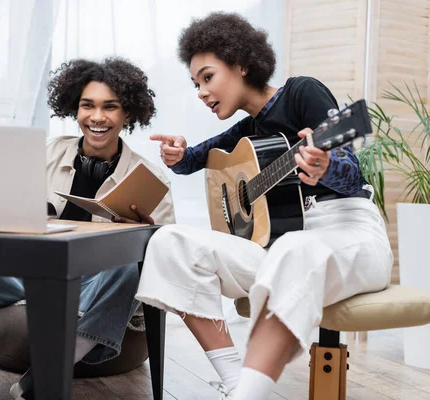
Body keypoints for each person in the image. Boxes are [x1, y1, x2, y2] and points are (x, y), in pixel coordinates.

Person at [135, 12, 392, 400]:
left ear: (241, 64)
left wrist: (324, 167)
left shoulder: (301, 92)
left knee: (294, 248)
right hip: (282, 245)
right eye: (195, 84)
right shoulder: (248, 128)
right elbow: (195, 160)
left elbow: (352, 173)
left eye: (207, 77)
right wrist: (178, 153)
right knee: (168, 242)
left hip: (348, 232)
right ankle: (236, 381)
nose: (201, 92)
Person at [0, 57, 175, 400]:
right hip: (26, 278)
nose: (97, 117)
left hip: (98, 290)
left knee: (132, 258)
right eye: (88, 105)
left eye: (110, 107)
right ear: (74, 108)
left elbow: (169, 263)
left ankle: (54, 367)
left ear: (128, 113)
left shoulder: (151, 178)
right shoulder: (44, 153)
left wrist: (142, 235)